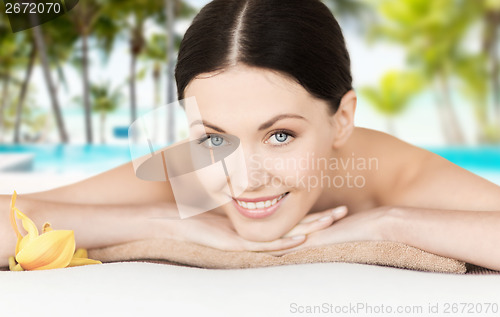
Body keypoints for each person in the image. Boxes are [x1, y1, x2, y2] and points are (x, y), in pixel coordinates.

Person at [2, 0, 500, 271]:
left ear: (342, 118)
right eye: (215, 137)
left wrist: (390, 224)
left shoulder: (394, 176)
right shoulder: (193, 174)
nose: (245, 179)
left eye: (281, 135)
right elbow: (15, 217)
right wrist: (168, 223)